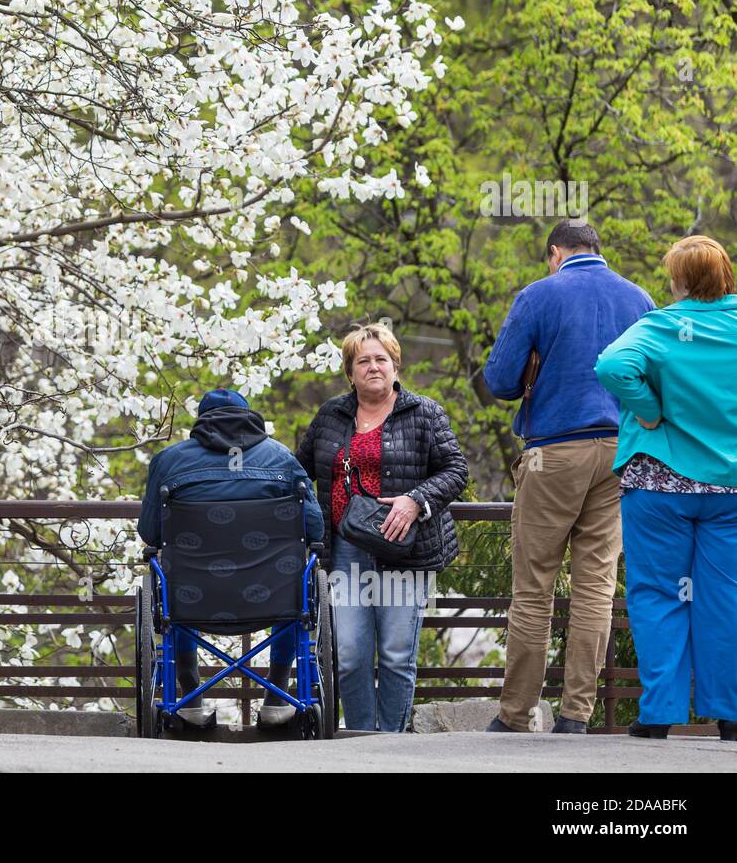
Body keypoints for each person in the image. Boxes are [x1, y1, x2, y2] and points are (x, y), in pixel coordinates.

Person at [483, 221, 655, 734]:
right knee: (596, 587)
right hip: (621, 454)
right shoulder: (639, 299)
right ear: (597, 251)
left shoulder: (539, 295)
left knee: (534, 586)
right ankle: (576, 715)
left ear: (555, 253)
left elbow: (499, 381)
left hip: (555, 450)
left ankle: (516, 714)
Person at [595, 235, 737, 741]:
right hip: (731, 490)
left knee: (658, 594)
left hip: (660, 484)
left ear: (681, 280)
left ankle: (659, 715)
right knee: (725, 598)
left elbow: (611, 366)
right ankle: (731, 715)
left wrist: (650, 410)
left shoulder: (662, 325)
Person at [296, 323, 468, 732]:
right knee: (350, 654)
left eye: (381, 359)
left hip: (405, 549)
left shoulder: (424, 412)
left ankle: (390, 743)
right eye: (363, 361)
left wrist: (416, 501)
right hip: (344, 550)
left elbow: (456, 470)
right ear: (350, 372)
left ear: (395, 365)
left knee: (395, 654)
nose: (373, 367)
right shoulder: (331, 415)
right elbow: (299, 471)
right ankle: (359, 738)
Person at [138, 388, 324, 727]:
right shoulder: (282, 459)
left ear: (201, 420)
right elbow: (314, 528)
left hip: (194, 597)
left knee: (171, 578)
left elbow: (150, 533)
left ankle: (191, 698)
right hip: (270, 596)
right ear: (248, 416)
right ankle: (277, 697)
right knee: (293, 571)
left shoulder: (168, 461)